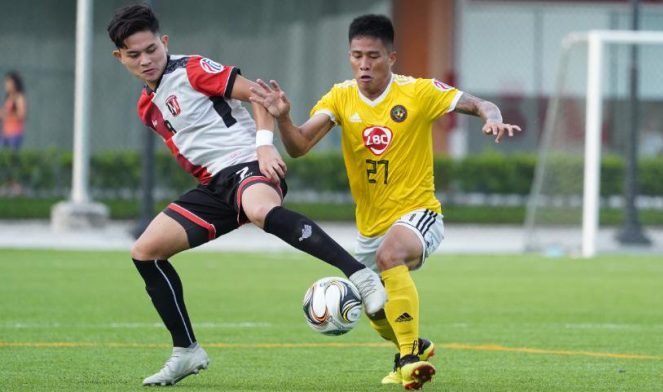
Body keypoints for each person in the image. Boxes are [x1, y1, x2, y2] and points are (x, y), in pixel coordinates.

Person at [107, 5, 386, 387]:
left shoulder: (191, 69)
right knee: (145, 252)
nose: (146, 60)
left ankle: (360, 274)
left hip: (248, 164)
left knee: (259, 210)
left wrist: (265, 146)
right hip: (215, 187)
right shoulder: (146, 107)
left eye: (151, 49)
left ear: (164, 42)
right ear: (119, 57)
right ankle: (186, 350)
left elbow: (258, 94)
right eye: (134, 54)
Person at [250, 14, 521, 390]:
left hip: (419, 214)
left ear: (391, 57)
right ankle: (414, 348)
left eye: (373, 56)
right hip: (370, 229)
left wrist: (494, 118)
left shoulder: (419, 91)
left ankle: (408, 360)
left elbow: (479, 104)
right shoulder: (340, 96)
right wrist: (283, 119)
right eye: (357, 55)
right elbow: (298, 147)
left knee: (391, 255)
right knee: (374, 308)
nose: (364, 64)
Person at [1, 72, 26, 151]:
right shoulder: (8, 98)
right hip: (5, 133)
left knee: (11, 159)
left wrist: (7, 115)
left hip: (14, 134)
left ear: (15, 84)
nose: (6, 85)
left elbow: (22, 115)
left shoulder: (19, 97)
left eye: (9, 82)